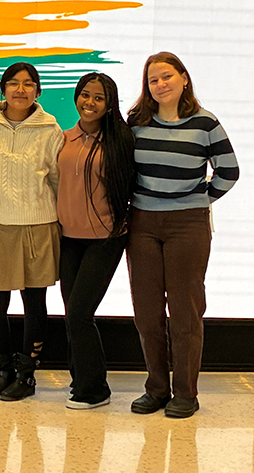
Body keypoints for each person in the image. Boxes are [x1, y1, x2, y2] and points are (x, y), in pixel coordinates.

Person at [126, 52, 238, 418]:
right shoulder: (136, 122)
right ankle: (156, 388)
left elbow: (229, 170)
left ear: (184, 78)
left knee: (186, 312)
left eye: (167, 76)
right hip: (142, 224)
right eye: (153, 79)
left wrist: (198, 198)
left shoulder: (205, 123)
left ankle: (185, 393)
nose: (160, 84)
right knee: (146, 313)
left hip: (187, 226)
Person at [0, 62, 64, 401]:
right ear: (2, 90)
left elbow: (56, 179)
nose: (20, 89)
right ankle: (4, 369)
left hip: (38, 224)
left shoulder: (51, 130)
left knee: (34, 302)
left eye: (28, 84)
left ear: (38, 91)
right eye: (13, 83)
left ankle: (27, 375)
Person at [57, 73, 135, 410]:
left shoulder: (120, 141)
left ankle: (94, 390)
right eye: (84, 95)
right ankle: (80, 380)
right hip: (67, 238)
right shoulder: (61, 138)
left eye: (98, 98)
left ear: (109, 105)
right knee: (71, 312)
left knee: (79, 313)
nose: (90, 103)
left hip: (106, 238)